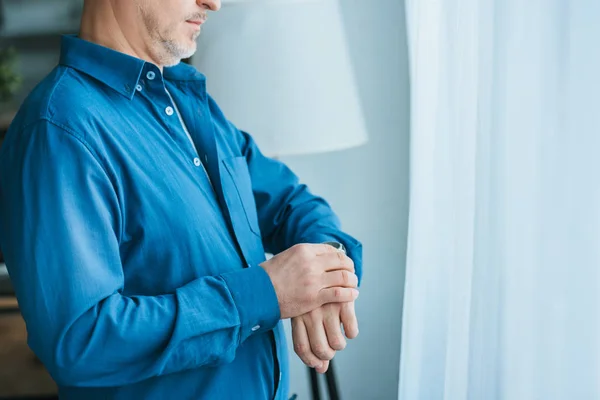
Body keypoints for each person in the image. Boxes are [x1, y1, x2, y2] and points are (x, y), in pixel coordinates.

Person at [0, 0, 363, 399]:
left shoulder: (188, 101)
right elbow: (82, 340)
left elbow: (292, 204)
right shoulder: (60, 131)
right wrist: (266, 294)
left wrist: (325, 278)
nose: (214, 2)